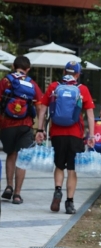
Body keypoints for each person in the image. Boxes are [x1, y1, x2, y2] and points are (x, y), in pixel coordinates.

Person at [35, 61, 96, 214]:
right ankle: (69, 203)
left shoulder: (54, 87)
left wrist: (40, 130)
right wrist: (92, 135)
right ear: (77, 74)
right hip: (75, 134)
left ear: (64, 72)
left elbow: (42, 109)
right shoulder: (82, 89)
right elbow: (90, 114)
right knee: (72, 169)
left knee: (59, 165)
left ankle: (57, 190)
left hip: (57, 133)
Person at [0, 56, 43, 204]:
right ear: (28, 69)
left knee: (11, 154)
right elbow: (39, 106)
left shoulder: (5, 81)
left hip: (6, 124)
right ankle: (17, 195)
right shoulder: (32, 83)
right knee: (22, 159)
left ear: (13, 66)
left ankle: (9, 187)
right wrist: (40, 128)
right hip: (25, 125)